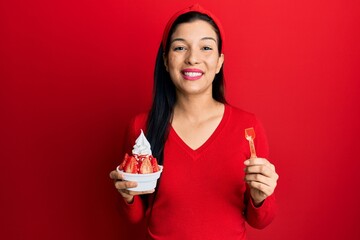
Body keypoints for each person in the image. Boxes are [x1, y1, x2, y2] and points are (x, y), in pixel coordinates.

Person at [109, 4, 279, 239]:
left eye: (206, 47)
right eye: (180, 47)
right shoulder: (142, 128)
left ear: (219, 61)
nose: (193, 58)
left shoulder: (248, 128)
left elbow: (261, 221)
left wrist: (261, 196)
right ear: (166, 60)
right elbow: (133, 216)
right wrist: (126, 194)